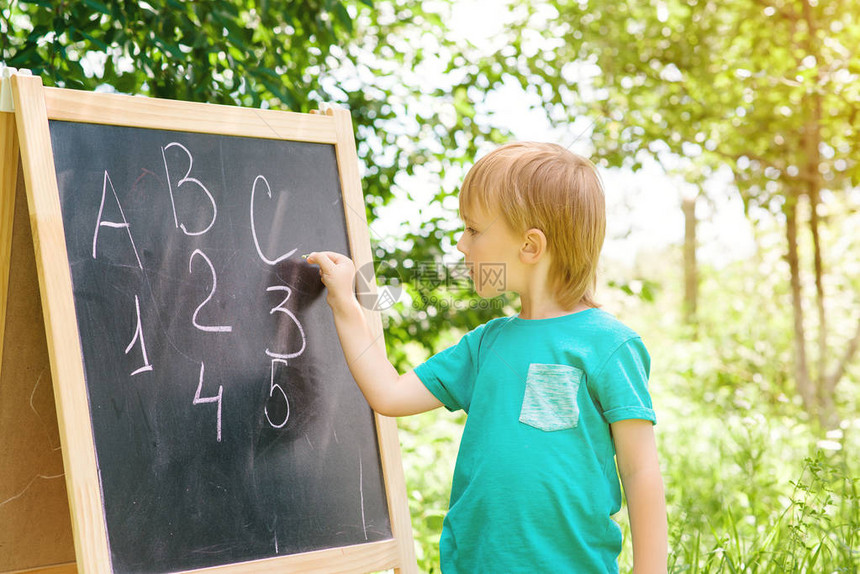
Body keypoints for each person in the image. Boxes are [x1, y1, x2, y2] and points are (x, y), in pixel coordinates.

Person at [306, 142, 668, 573]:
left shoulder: (609, 346)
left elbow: (640, 471)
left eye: (474, 230)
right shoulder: (485, 344)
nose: (461, 245)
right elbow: (389, 393)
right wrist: (345, 305)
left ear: (530, 246)